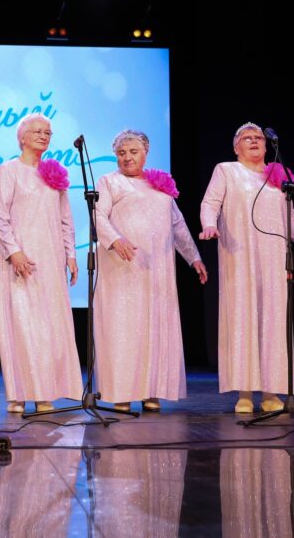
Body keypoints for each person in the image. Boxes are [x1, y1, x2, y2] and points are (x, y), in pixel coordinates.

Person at [200, 122, 294, 414]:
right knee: (243, 318)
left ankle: (271, 391)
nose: (254, 140)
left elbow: (290, 218)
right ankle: (244, 392)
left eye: (258, 137)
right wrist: (209, 224)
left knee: (273, 320)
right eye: (246, 138)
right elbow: (210, 203)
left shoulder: (279, 176)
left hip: (274, 258)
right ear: (236, 147)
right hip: (239, 256)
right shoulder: (227, 170)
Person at [94, 129, 208, 412]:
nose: (127, 157)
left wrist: (194, 257)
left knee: (153, 326)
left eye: (133, 152)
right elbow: (97, 215)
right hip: (123, 267)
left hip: (157, 268)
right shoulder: (110, 181)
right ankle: (121, 392)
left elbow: (177, 225)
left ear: (145, 153)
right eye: (121, 153)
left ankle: (150, 390)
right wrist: (115, 239)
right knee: (123, 326)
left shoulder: (160, 185)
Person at [0, 113, 82, 413]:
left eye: (47, 132)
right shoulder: (9, 170)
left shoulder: (54, 173)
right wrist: (13, 251)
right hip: (21, 259)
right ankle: (18, 393)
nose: (43, 136)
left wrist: (70, 254)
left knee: (49, 325)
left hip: (51, 259)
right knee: (22, 325)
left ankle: (45, 393)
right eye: (37, 131)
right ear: (22, 137)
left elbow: (66, 219)